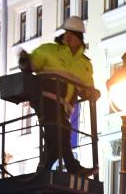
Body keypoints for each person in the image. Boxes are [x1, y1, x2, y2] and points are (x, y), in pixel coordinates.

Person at [18, 16, 99, 177]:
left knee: (55, 140)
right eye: (66, 32)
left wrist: (93, 93)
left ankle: (44, 169)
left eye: (72, 33)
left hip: (64, 107)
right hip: (46, 99)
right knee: (61, 128)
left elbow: (87, 89)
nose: (67, 36)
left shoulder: (85, 64)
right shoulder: (49, 50)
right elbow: (31, 65)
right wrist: (25, 61)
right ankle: (73, 167)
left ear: (79, 38)